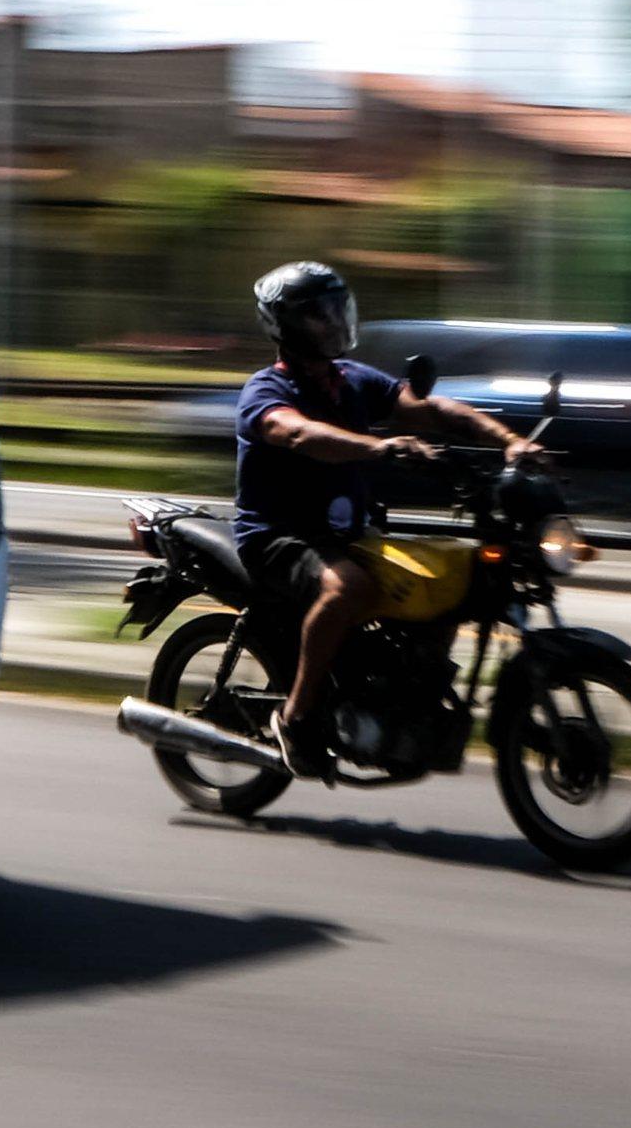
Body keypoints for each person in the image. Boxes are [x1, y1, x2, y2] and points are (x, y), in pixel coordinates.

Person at [232, 262, 541, 777]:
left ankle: (410, 699)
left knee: (450, 578)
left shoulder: (353, 381)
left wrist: (510, 441)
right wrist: (382, 446)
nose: (333, 323)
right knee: (346, 588)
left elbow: (433, 409)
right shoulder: (267, 391)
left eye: (337, 310)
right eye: (318, 315)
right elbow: (301, 435)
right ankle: (297, 717)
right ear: (285, 326)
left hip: (348, 535)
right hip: (278, 536)